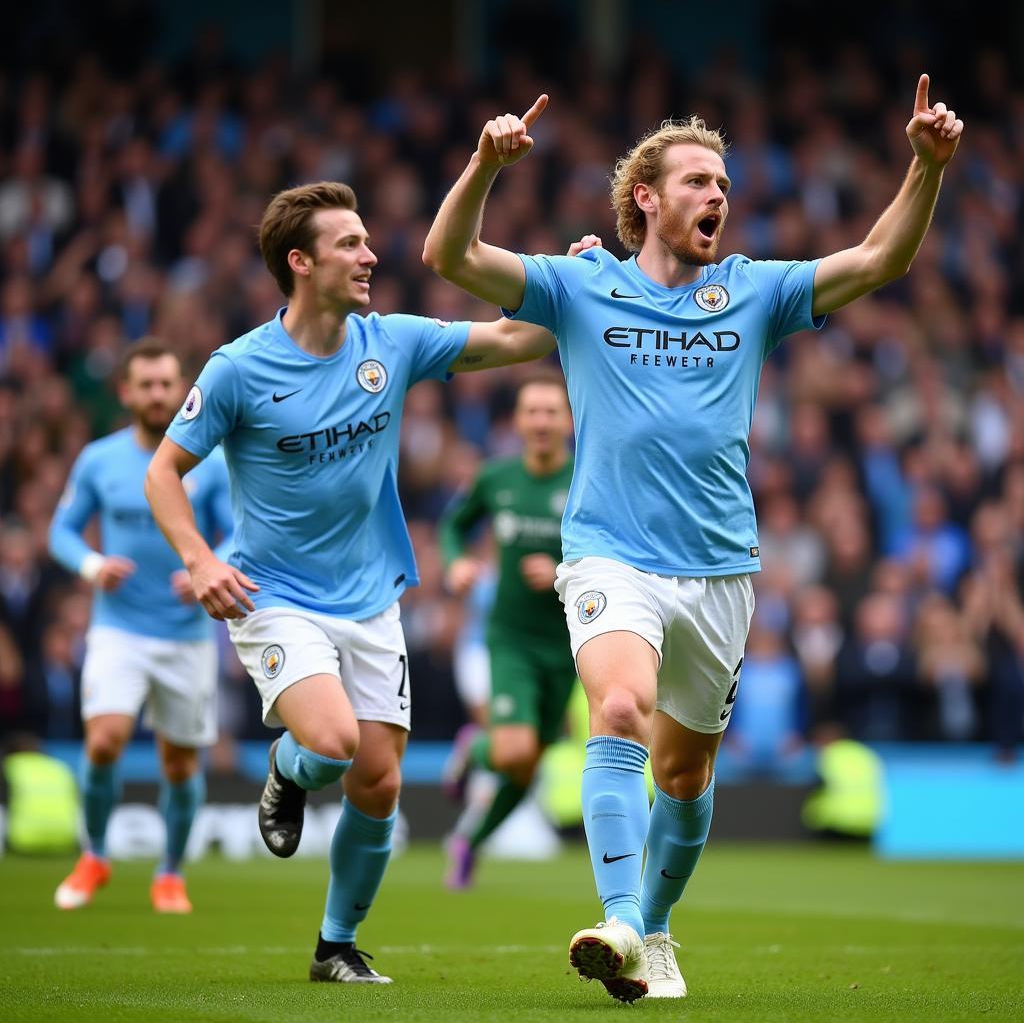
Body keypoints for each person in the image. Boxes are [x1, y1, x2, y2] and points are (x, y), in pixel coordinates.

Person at [422, 75, 963, 1001]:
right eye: (698, 181)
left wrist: (927, 166)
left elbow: (879, 261)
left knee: (684, 774)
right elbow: (449, 256)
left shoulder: (751, 291)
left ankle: (656, 928)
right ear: (647, 197)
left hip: (719, 568)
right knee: (620, 711)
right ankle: (622, 919)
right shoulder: (580, 284)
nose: (719, 195)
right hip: (609, 555)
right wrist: (482, 165)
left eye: (723, 182)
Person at [144, 181, 584, 985]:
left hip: (372, 596)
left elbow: (517, 341)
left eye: (367, 240)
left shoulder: (395, 342)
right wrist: (201, 559)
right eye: (349, 243)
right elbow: (165, 473)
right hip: (272, 594)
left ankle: (335, 946)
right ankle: (286, 771)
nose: (370, 255)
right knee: (335, 742)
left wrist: (567, 282)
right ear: (300, 262)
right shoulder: (239, 369)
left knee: (379, 783)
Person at [49, 338, 233, 913]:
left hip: (185, 634)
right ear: (126, 392)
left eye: (167, 384)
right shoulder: (99, 460)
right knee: (104, 742)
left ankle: (171, 873)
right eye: (146, 385)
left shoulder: (211, 461)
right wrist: (92, 564)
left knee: (179, 763)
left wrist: (208, 563)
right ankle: (95, 856)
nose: (158, 395)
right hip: (118, 630)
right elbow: (61, 531)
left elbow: (239, 533)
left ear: (181, 390)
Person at [440, 369, 576, 888]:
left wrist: (563, 573)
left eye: (551, 411)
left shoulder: (588, 478)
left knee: (527, 766)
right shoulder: (495, 478)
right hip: (512, 639)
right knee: (514, 750)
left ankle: (467, 842)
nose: (541, 421)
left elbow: (616, 549)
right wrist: (455, 564)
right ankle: (474, 747)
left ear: (567, 419)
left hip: (569, 645)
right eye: (532, 411)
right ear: (518, 421)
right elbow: (454, 524)